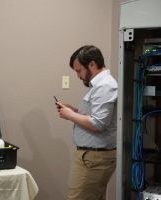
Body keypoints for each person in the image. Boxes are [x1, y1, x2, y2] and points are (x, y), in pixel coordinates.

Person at [56, 45, 118, 200]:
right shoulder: (99, 85)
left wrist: (70, 115)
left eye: (78, 71)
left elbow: (97, 124)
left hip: (94, 159)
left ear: (92, 64)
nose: (78, 76)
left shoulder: (105, 86)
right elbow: (97, 117)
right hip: (92, 157)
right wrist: (76, 111)